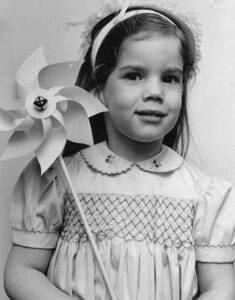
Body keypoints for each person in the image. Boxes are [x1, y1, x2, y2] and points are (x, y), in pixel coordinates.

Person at [4, 1, 235, 300]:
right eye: (134, 75)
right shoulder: (60, 179)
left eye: (170, 78)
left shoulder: (204, 195)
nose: (155, 91)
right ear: (99, 89)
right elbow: (22, 272)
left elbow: (221, 287)